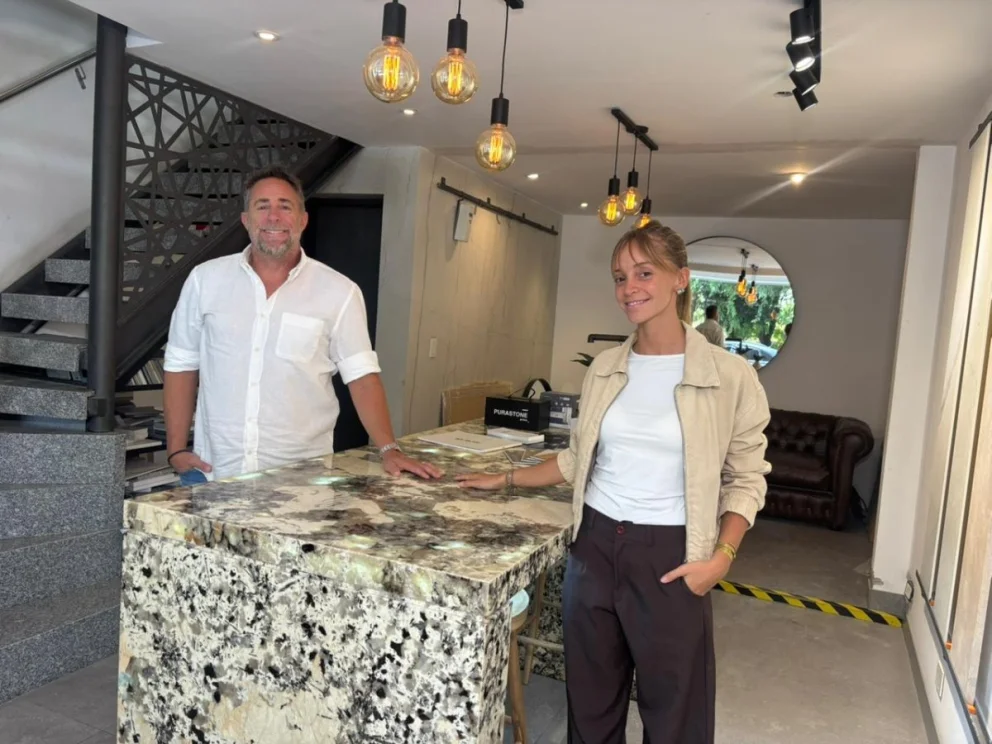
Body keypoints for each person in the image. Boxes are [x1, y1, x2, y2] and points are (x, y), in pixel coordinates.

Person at [457, 221, 771, 743]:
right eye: (620, 277)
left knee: (676, 716)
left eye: (644, 273)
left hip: (673, 553)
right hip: (595, 547)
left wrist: (722, 557)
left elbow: (747, 476)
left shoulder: (729, 375)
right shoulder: (605, 367)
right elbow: (578, 459)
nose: (629, 288)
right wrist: (506, 477)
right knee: (591, 706)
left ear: (680, 279)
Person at [163, 165, 442, 486]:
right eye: (262, 206)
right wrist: (175, 449)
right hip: (217, 473)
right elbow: (181, 364)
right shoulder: (205, 280)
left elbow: (362, 377)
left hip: (301, 478)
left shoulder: (339, 292)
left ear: (302, 220)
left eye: (285, 206)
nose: (273, 217)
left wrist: (389, 449)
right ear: (246, 220)